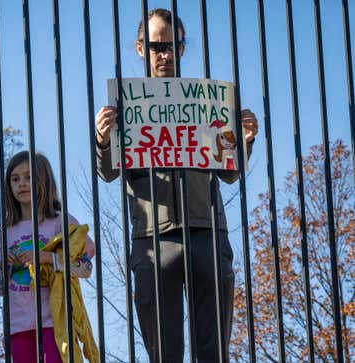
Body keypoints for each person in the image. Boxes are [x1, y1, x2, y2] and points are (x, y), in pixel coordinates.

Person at [94, 8, 259, 363]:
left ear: (182, 48)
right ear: (140, 48)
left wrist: (243, 140)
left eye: (172, 45)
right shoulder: (127, 104)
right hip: (154, 240)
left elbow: (229, 173)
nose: (165, 54)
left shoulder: (206, 100)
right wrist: (104, 140)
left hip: (207, 233)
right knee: (164, 354)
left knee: (213, 352)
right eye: (156, 47)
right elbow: (108, 173)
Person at [0, 151, 97, 363]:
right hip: (17, 326)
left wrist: (49, 258)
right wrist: (4, 268)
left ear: (44, 180)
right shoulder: (4, 234)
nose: (22, 183)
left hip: (54, 322)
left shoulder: (60, 222)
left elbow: (85, 268)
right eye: (15, 178)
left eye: (29, 177)